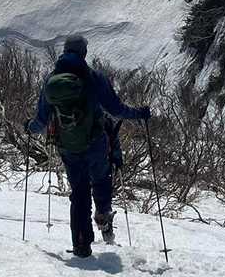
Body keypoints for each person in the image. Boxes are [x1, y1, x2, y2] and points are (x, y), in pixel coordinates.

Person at [28, 35, 150, 258]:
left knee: (79, 193)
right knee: (101, 179)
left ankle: (81, 245)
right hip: (95, 143)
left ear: (65, 51)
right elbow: (116, 109)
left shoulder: (51, 80)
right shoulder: (94, 77)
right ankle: (103, 214)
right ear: (83, 53)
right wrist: (139, 113)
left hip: (67, 146)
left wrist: (29, 127)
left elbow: (41, 120)